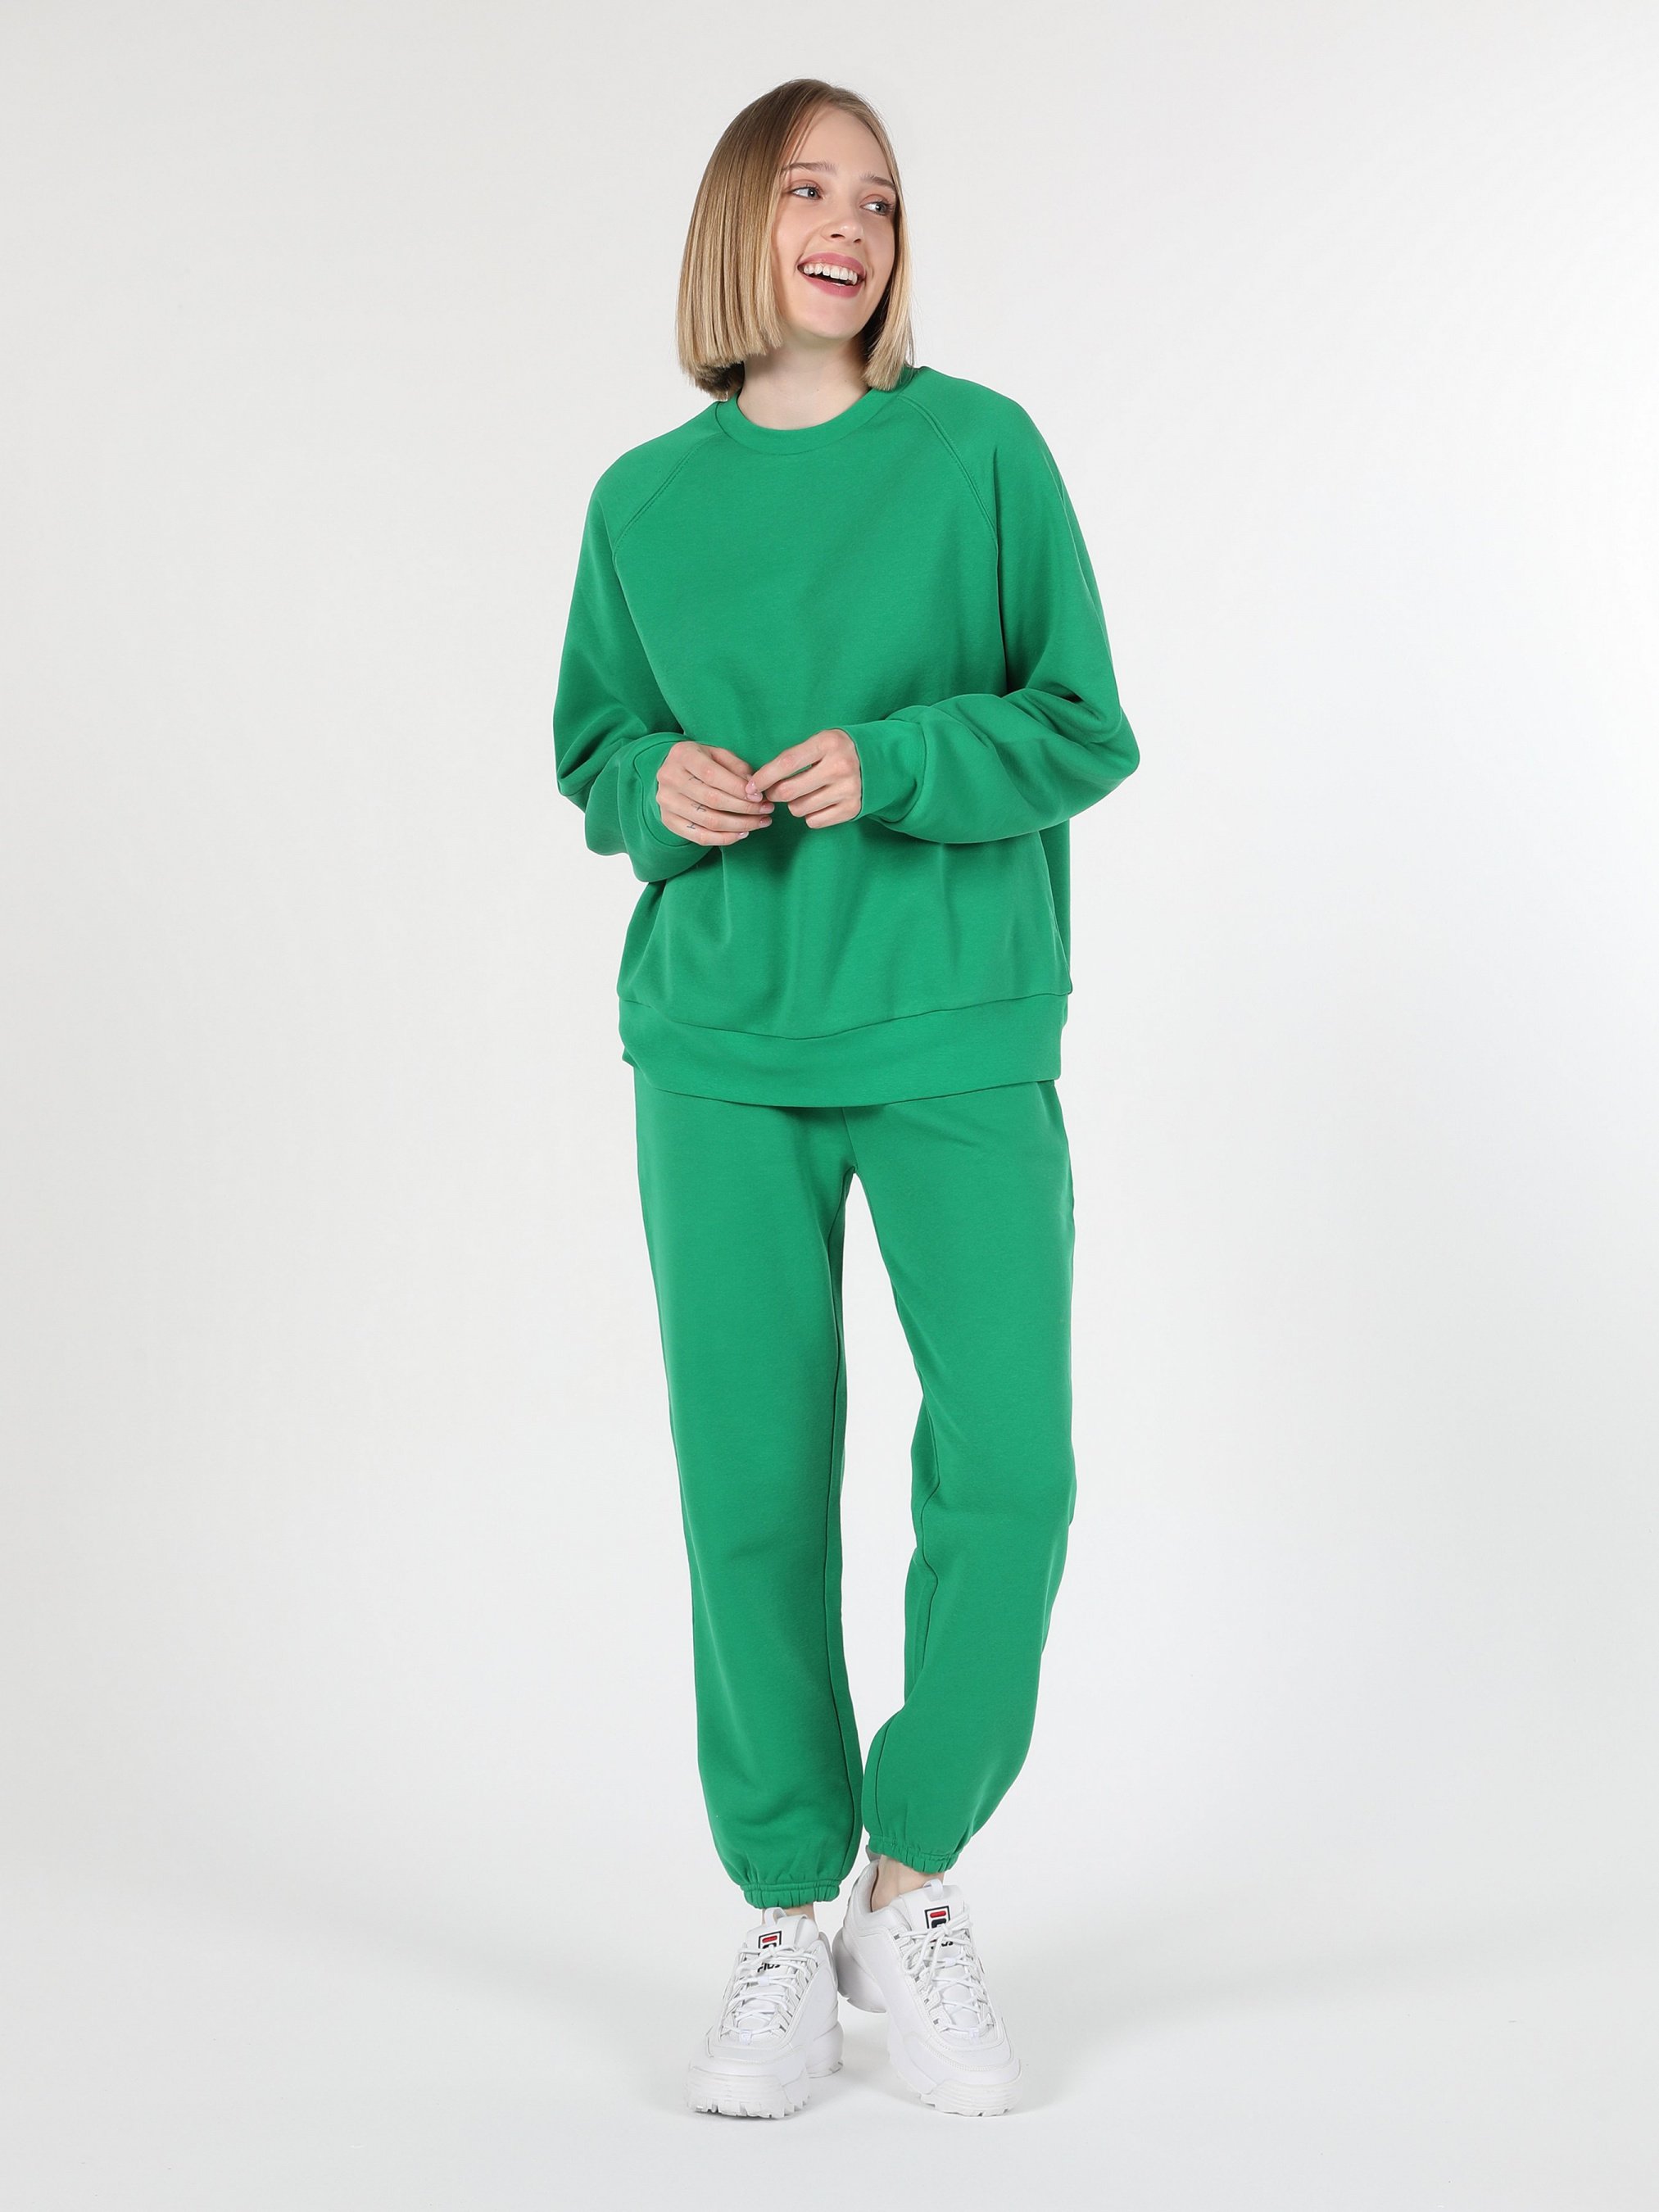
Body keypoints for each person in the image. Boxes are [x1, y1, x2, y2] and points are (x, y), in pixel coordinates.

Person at [552, 77, 1140, 2119]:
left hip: (957, 1024)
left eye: (878, 199)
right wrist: (658, 789)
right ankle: (785, 1916)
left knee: (1012, 1466)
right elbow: (593, 750)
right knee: (750, 1488)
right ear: (739, 222)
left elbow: (1081, 724)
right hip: (718, 1044)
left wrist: (897, 762)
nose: (847, 227)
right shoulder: (642, 501)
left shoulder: (978, 453)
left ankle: (914, 1875)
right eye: (808, 189)